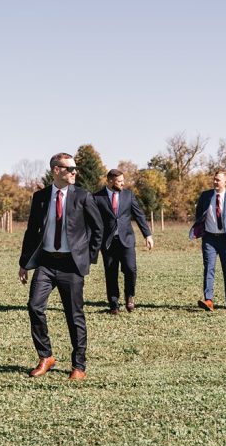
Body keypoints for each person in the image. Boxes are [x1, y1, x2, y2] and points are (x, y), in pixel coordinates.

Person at [18, 152, 104, 380]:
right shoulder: (41, 197)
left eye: (75, 168)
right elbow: (31, 232)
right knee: (35, 306)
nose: (75, 172)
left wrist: (88, 257)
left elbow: (99, 229)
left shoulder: (83, 196)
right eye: (70, 169)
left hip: (71, 265)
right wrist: (24, 263)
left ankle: (79, 366)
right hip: (45, 263)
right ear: (57, 170)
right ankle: (45, 356)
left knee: (73, 315)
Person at [93, 168, 154, 314]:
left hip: (126, 239)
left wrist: (148, 234)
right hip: (107, 242)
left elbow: (139, 215)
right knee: (111, 273)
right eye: (119, 181)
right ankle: (113, 305)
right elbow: (92, 221)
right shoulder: (96, 197)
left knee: (131, 269)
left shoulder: (128, 195)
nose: (123, 183)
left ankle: (130, 296)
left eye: (122, 180)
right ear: (110, 181)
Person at [191, 170, 226, 310]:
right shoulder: (205, 196)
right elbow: (199, 215)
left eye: (218, 180)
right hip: (209, 239)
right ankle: (208, 300)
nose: (215, 182)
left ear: (225, 181)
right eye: (214, 179)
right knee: (209, 268)